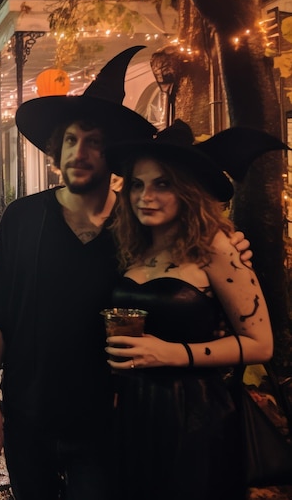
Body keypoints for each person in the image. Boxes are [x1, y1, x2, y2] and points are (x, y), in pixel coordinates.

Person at [0, 46, 254, 500]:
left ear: (114, 156)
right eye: (70, 139)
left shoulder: (139, 226)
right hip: (29, 414)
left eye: (94, 142)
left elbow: (191, 257)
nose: (79, 152)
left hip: (110, 422)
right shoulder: (21, 218)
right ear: (56, 148)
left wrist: (231, 246)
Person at [103, 119, 283, 500]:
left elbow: (260, 344)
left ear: (187, 190)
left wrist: (170, 353)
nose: (145, 196)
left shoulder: (217, 247)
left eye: (162, 183)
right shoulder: (133, 249)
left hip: (197, 416)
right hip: (135, 410)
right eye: (137, 184)